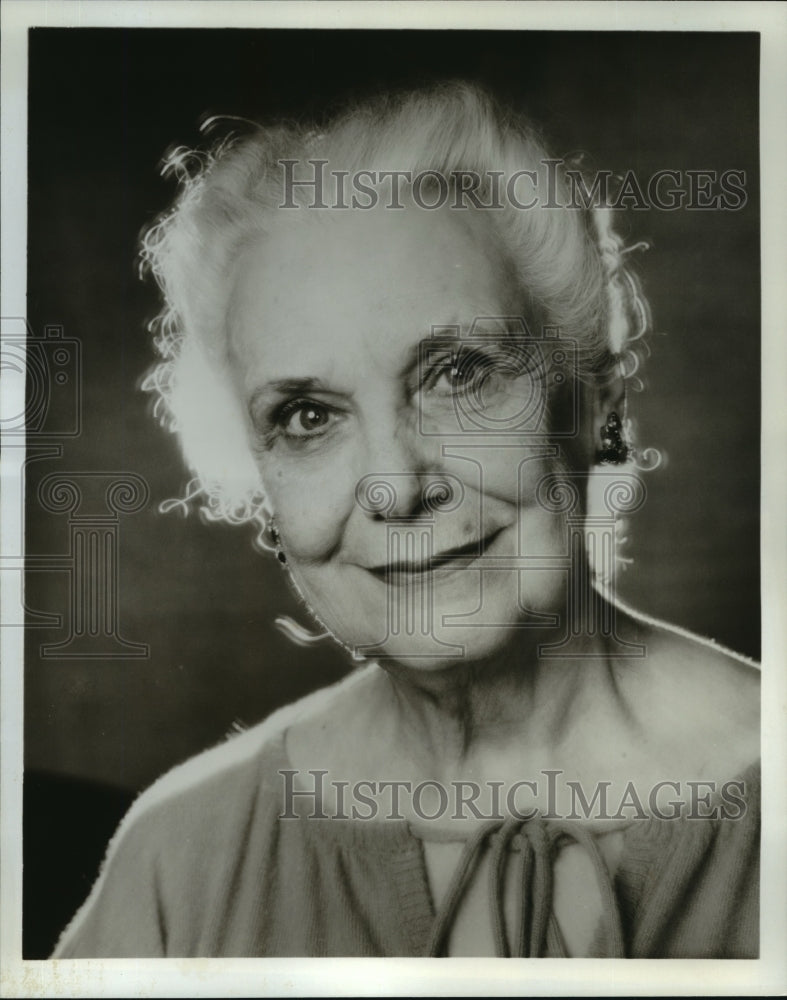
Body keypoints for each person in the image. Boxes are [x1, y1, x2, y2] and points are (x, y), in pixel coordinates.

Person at [53, 82, 759, 959]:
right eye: (307, 416)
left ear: (591, 405)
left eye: (458, 373)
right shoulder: (178, 862)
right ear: (258, 484)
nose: (395, 484)